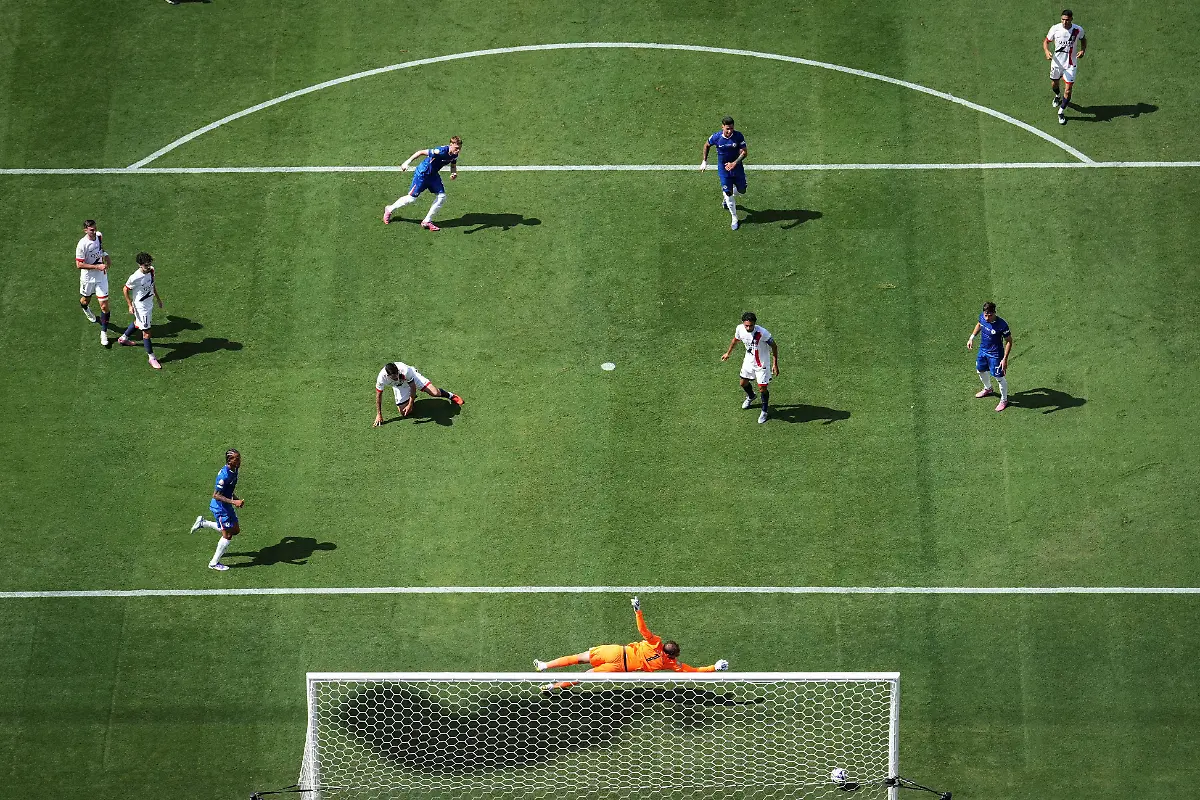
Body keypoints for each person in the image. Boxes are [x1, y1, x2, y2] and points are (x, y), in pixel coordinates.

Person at [534, 597, 730, 690]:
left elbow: (643, 630)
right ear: (673, 655)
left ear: (665, 647)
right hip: (620, 666)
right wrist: (715, 667)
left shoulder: (656, 643)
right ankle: (552, 686)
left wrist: (638, 611)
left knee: (578, 658)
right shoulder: (670, 664)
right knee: (584, 677)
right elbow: (693, 671)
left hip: (616, 652)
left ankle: (544, 666)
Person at [383, 136, 462, 231]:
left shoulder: (454, 155)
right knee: (411, 199)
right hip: (422, 174)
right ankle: (389, 209)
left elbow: (453, 165)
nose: (458, 150)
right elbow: (420, 152)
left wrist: (453, 173)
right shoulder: (439, 151)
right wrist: (406, 162)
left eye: (459, 148)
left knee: (442, 196)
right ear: (451, 145)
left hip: (433, 176)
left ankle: (427, 221)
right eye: (456, 148)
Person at [189, 449, 245, 571]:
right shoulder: (224, 476)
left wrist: (235, 499)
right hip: (220, 508)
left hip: (226, 505)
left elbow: (228, 489)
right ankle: (214, 563)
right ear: (229, 460)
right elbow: (216, 495)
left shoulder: (234, 469)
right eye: (236, 458)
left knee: (235, 530)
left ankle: (203, 523)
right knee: (228, 535)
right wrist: (233, 501)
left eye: (239, 457)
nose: (239, 460)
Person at [721, 312, 779, 424]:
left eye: (751, 325)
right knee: (743, 383)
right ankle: (751, 396)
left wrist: (775, 364)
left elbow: (774, 346)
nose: (748, 328)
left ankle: (764, 410)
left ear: (754, 324)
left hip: (762, 363)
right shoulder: (740, 329)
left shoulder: (762, 333)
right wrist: (728, 353)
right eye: (746, 325)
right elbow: (735, 340)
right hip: (749, 360)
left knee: (762, 388)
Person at [373, 361, 464, 426]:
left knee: (434, 393)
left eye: (397, 374)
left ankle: (451, 396)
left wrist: (410, 404)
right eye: (393, 377)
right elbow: (379, 396)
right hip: (399, 386)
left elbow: (413, 386)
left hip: (413, 378)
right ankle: (411, 397)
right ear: (388, 376)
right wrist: (379, 414)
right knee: (404, 413)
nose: (396, 377)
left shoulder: (405, 370)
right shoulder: (381, 378)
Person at [118, 252, 164, 370]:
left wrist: (158, 299)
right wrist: (129, 305)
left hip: (149, 304)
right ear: (139, 265)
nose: (148, 267)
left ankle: (123, 338)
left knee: (138, 324)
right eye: (145, 265)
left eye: (149, 264)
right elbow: (125, 289)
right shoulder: (135, 277)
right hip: (141, 307)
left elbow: (152, 285)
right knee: (147, 332)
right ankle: (151, 358)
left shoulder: (152, 270)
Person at [701, 116, 748, 230]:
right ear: (722, 127)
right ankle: (734, 217)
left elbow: (745, 152)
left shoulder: (738, 136)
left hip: (737, 168)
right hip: (723, 170)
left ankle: (727, 196)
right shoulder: (716, 137)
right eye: (727, 128)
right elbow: (706, 145)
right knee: (728, 193)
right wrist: (704, 161)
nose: (729, 131)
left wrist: (734, 163)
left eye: (731, 128)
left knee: (742, 190)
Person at [1043, 9, 1087, 125]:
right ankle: (1057, 96)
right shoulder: (1055, 28)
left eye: (1067, 20)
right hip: (1057, 63)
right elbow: (1046, 41)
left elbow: (1083, 39)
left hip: (1071, 65)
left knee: (1068, 89)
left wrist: (1083, 50)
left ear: (1071, 19)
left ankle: (1061, 112)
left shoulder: (1078, 30)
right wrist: (1047, 51)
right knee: (1054, 83)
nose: (1064, 22)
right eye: (1063, 19)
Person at [967, 301, 1013, 412]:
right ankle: (988, 388)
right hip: (983, 351)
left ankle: (1004, 400)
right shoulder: (982, 318)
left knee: (999, 377)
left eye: (990, 315)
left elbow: (1009, 341)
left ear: (994, 313)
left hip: (996, 355)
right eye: (985, 315)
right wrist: (972, 337)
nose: (987, 318)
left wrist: (1004, 359)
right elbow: (979, 324)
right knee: (980, 370)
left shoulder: (1002, 325)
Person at [75, 219, 112, 346]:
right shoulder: (82, 245)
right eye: (91, 230)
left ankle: (104, 332)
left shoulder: (99, 236)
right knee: (85, 300)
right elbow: (79, 265)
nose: (94, 231)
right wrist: (97, 267)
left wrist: (106, 256)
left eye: (95, 228)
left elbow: (101, 249)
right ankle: (86, 309)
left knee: (104, 306)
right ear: (85, 230)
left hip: (101, 277)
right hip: (88, 278)